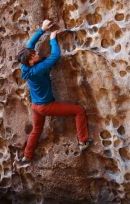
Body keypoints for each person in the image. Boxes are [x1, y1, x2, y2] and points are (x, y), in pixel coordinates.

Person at [17, 20, 93, 166]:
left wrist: (42, 29)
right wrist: (52, 39)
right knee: (79, 111)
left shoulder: (24, 66)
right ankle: (83, 141)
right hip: (46, 107)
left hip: (36, 106)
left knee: (36, 130)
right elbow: (54, 57)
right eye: (34, 55)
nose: (37, 52)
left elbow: (30, 45)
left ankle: (27, 157)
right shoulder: (37, 70)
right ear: (31, 62)